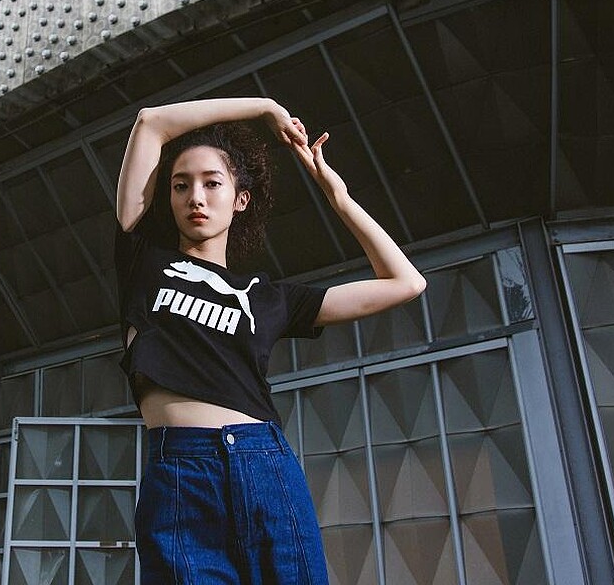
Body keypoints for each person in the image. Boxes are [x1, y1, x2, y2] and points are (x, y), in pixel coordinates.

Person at [114, 96, 427, 584]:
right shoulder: (143, 259)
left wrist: (338, 196)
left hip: (264, 465)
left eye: (212, 183)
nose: (196, 196)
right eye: (181, 185)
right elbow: (151, 121)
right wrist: (263, 107)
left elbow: (405, 283)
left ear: (240, 199)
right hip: (180, 476)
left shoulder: (268, 297)